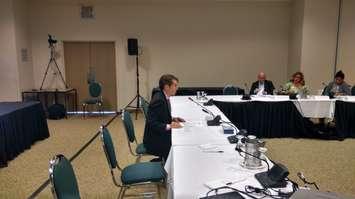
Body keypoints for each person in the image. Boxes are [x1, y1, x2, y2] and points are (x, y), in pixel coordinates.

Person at [143, 74, 185, 161]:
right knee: (180, 143)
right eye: (175, 85)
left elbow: (161, 116)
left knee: (180, 136)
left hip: (158, 135)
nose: (177, 88)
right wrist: (170, 126)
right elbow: (152, 123)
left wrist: (172, 119)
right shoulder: (159, 100)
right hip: (154, 140)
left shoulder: (163, 96)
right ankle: (168, 168)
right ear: (166, 87)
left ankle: (166, 161)